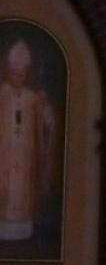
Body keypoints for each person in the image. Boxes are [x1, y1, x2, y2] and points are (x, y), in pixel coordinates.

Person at [0, 38, 57, 244]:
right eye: (15, 73)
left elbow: (47, 122)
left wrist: (46, 107)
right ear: (8, 72)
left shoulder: (32, 97)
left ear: (26, 74)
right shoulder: (1, 94)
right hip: (3, 155)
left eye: (22, 74)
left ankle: (22, 229)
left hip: (25, 156)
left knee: (22, 189)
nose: (18, 77)